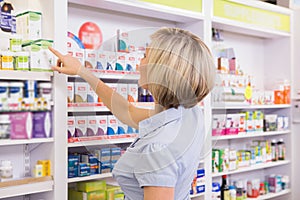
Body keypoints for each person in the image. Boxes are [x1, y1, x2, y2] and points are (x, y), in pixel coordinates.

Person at [50, 27, 215, 200]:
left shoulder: (157, 149)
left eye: (145, 56)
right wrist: (82, 72)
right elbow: (127, 111)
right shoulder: (189, 113)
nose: (138, 63)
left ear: (160, 71)